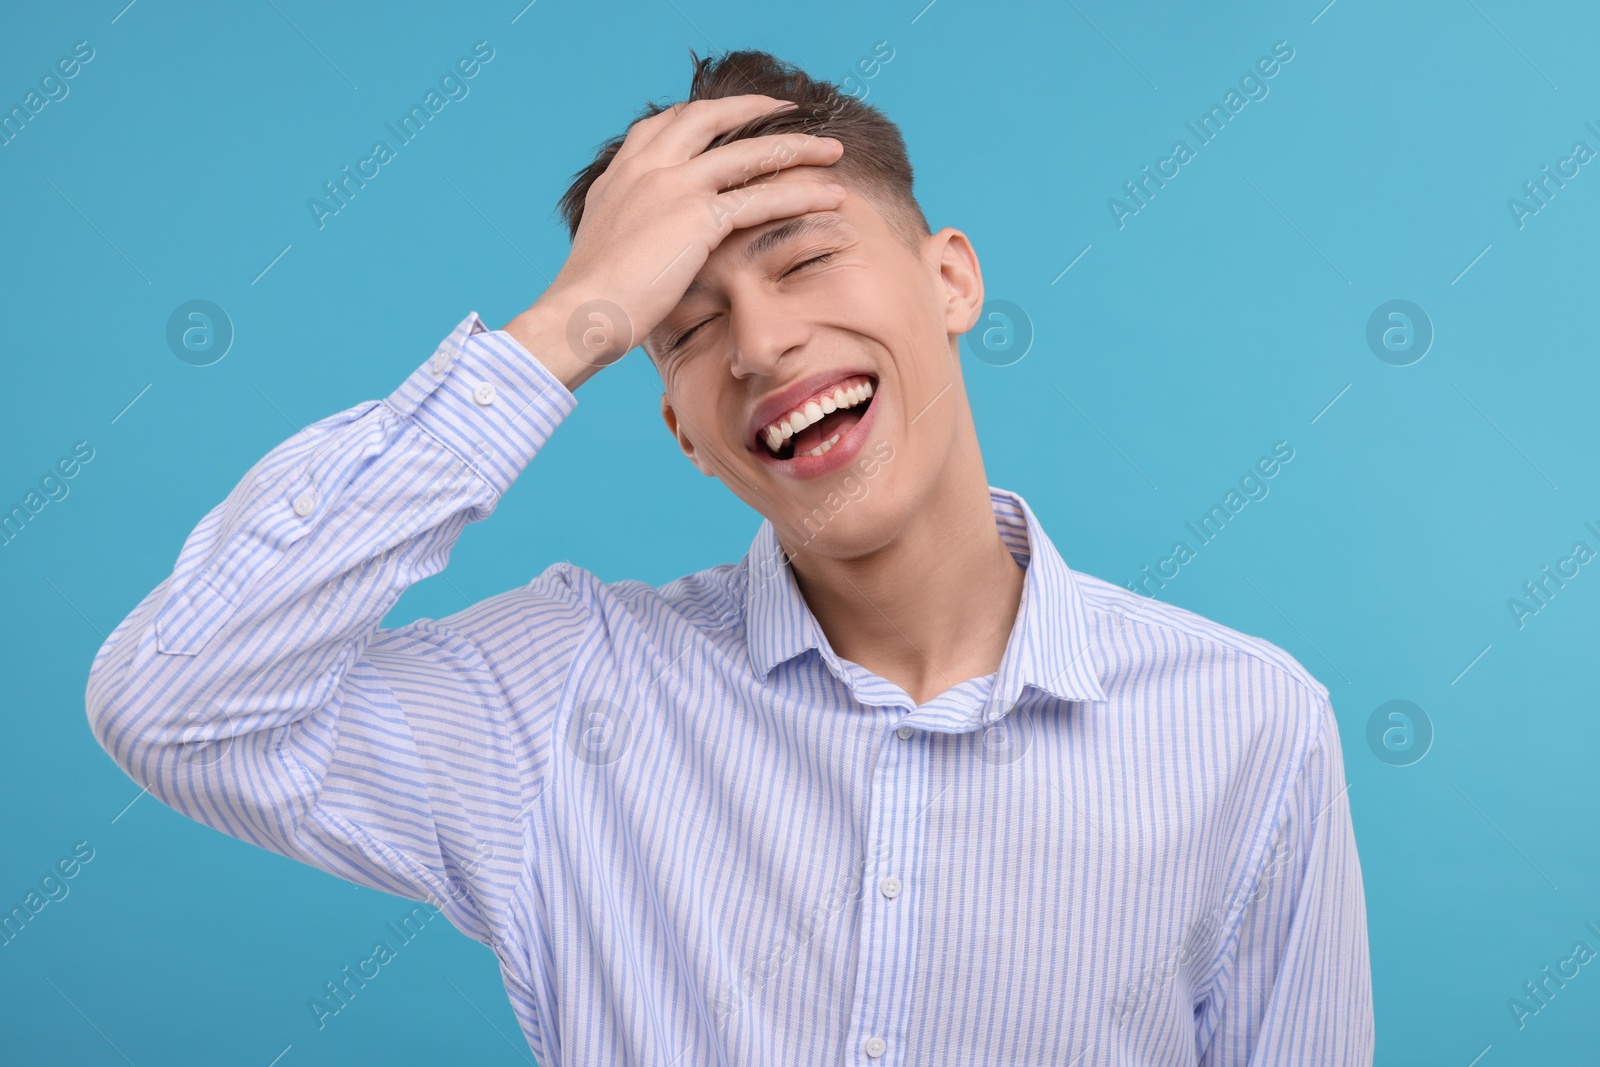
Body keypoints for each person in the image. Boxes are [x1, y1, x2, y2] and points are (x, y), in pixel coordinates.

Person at [86, 49, 1373, 1066]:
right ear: (680, 430)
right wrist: (561, 329)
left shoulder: (1248, 724)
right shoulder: (567, 693)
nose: (759, 342)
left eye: (805, 258)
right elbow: (175, 702)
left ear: (951, 280)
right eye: (683, 326)